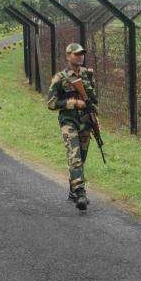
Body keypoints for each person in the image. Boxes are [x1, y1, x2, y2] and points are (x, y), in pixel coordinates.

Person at [46, 43, 97, 211]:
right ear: (68, 56)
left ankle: (72, 190)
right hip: (68, 122)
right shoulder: (60, 78)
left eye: (82, 54)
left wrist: (95, 118)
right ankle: (80, 193)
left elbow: (93, 100)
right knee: (74, 155)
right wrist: (73, 102)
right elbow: (51, 103)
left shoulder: (88, 74)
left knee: (81, 158)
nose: (80, 56)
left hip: (85, 122)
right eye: (76, 54)